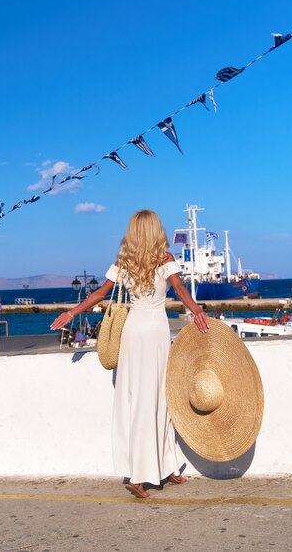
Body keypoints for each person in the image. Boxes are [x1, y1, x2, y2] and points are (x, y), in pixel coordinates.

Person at [50, 210, 209, 498]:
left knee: (146, 397)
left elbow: (99, 294)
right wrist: (196, 310)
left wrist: (71, 312)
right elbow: (180, 289)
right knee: (156, 396)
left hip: (134, 332)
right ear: (155, 230)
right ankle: (139, 474)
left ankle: (166, 465)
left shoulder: (124, 262)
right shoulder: (166, 260)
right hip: (156, 331)